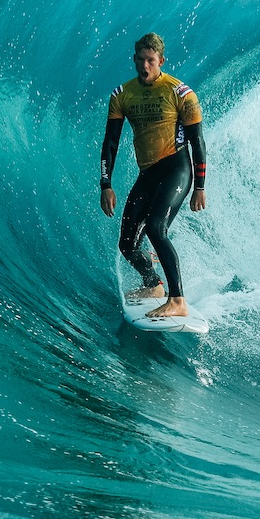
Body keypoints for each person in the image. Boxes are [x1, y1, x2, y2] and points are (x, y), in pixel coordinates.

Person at [100, 32, 207, 319]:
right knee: (127, 244)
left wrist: (200, 187)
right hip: (148, 173)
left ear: (161, 61)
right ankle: (154, 285)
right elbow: (110, 143)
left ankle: (177, 299)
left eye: (151, 60)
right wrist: (106, 185)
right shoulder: (123, 95)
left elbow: (198, 142)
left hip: (177, 168)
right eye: (140, 59)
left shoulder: (180, 93)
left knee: (155, 228)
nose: (145, 66)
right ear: (134, 60)